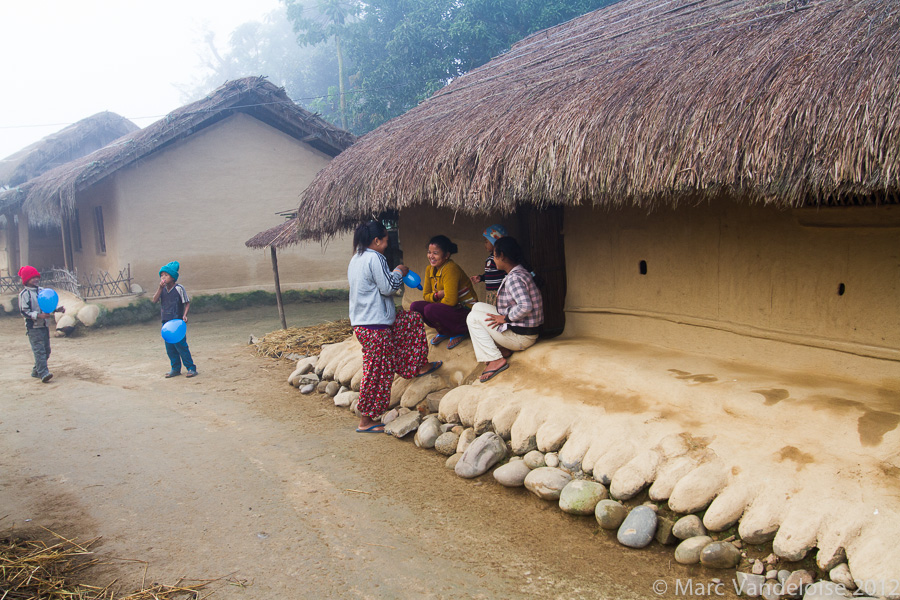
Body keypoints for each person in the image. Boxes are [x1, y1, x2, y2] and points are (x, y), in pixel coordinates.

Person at [349, 221, 442, 433]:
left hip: (367, 324)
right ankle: (366, 420)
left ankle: (416, 365)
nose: (386, 244)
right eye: (385, 240)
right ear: (376, 240)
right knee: (378, 371)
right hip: (375, 325)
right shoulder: (375, 257)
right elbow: (388, 287)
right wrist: (399, 271)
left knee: (411, 320)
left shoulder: (357, 258)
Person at [465, 236, 544, 383]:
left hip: (522, 338)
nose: (493, 260)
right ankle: (503, 348)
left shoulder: (514, 278)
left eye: (494, 256)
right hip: (521, 329)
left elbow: (525, 306)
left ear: (502, 256)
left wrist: (505, 318)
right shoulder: (518, 271)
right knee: (477, 307)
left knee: (472, 318)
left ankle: (494, 359)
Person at [410, 235, 478, 350]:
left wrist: (434, 300)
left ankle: (459, 331)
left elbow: (451, 301)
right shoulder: (429, 269)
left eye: (435, 253)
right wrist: (438, 295)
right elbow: (426, 295)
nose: (431, 256)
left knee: (430, 309)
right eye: (429, 252)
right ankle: (445, 331)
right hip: (450, 308)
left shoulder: (450, 268)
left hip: (466, 311)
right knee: (415, 306)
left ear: (446, 255)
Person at [18, 266, 65, 383]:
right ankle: (44, 373)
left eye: (36, 277)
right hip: (33, 328)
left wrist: (58, 309)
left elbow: (49, 305)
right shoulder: (24, 294)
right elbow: (24, 311)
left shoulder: (42, 291)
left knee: (46, 350)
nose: (35, 279)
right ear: (26, 280)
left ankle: (36, 370)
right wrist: (38, 316)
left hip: (44, 326)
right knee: (39, 351)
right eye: (32, 277)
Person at [151, 261, 197, 378]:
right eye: (162, 275)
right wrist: (159, 288)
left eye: (166, 275)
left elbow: (186, 303)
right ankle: (175, 369)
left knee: (181, 346)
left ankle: (191, 368)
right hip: (166, 322)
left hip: (177, 322)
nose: (163, 277)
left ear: (173, 277)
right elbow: (154, 300)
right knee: (170, 347)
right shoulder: (162, 290)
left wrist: (184, 315)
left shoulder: (179, 288)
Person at [470, 224, 508, 305]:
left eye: (486, 241)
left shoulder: (500, 259)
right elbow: (491, 273)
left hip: (499, 293)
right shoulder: (491, 258)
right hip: (490, 294)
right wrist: (481, 277)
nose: (485, 244)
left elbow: (505, 273)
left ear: (495, 242)